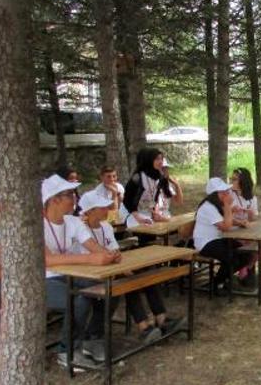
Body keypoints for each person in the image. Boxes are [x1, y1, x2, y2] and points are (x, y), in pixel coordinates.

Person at [77, 191, 183, 344]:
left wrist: (118, 263)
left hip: (111, 267)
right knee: (127, 279)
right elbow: (94, 256)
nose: (108, 210)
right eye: (102, 207)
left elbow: (115, 251)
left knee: (144, 273)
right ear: (90, 211)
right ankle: (145, 326)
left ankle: (160, 318)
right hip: (93, 273)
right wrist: (118, 265)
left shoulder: (105, 226)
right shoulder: (81, 229)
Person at [41, 174, 122, 370]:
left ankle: (92, 339)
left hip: (71, 276)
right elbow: (47, 260)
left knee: (110, 289)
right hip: (42, 281)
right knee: (79, 300)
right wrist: (90, 258)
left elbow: (93, 247)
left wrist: (109, 254)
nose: (75, 198)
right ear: (54, 200)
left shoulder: (73, 221)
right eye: (70, 194)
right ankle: (66, 351)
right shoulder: (36, 225)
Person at [193, 178, 251, 295]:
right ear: (214, 194)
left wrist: (240, 223)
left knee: (246, 254)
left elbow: (225, 220)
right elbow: (226, 226)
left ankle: (220, 281)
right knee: (231, 258)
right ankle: (216, 284)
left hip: (217, 239)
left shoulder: (216, 205)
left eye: (226, 191)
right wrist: (228, 206)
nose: (226, 194)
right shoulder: (208, 207)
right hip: (205, 243)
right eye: (223, 192)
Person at [121, 148, 181, 229]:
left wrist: (156, 212)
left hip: (148, 214)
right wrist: (138, 217)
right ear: (149, 160)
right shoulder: (138, 178)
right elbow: (127, 200)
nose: (160, 162)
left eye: (161, 159)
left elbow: (155, 198)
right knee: (145, 233)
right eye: (157, 159)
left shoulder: (159, 177)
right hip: (133, 214)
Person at [229, 168, 259, 285]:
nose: (232, 181)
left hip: (245, 231)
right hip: (231, 231)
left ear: (243, 181)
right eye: (231, 179)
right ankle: (244, 273)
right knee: (247, 247)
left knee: (258, 247)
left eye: (235, 179)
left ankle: (245, 268)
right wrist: (233, 212)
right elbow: (223, 216)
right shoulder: (228, 194)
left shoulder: (252, 197)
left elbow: (254, 218)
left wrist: (251, 215)